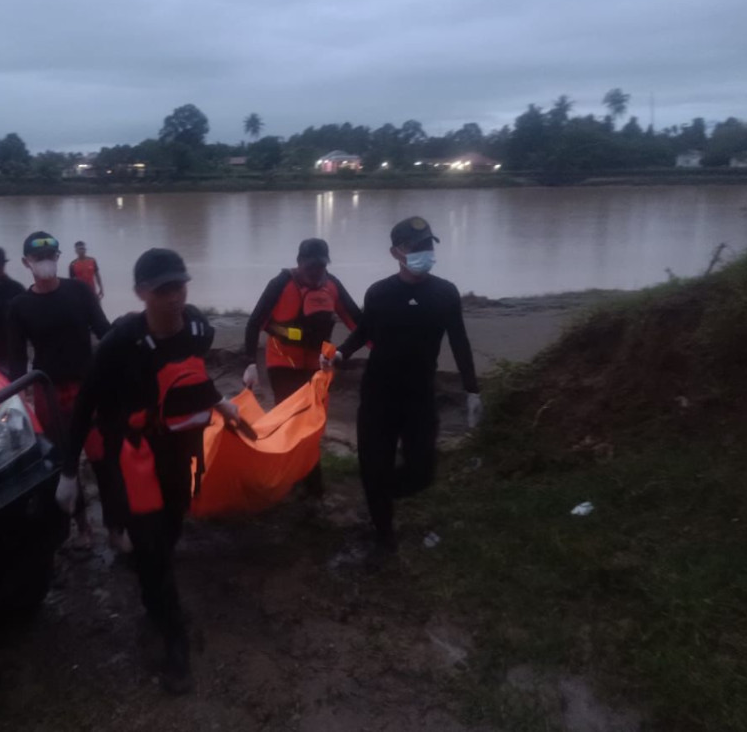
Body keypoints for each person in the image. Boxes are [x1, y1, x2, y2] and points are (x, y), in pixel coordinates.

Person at [57, 248, 238, 694]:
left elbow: (191, 376)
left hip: (180, 451)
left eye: (180, 286)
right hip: (134, 458)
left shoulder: (198, 327)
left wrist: (220, 403)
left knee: (171, 533)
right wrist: (67, 471)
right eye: (163, 290)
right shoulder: (120, 343)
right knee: (153, 550)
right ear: (142, 293)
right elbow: (85, 406)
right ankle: (173, 640)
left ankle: (155, 596)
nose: (175, 297)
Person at [327, 217, 483, 556]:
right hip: (378, 395)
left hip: (419, 397)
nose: (425, 252)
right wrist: (342, 352)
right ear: (396, 252)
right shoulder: (380, 293)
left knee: (422, 471)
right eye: (416, 247)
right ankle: (383, 533)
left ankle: (381, 494)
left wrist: (472, 389)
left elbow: (459, 341)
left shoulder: (444, 293)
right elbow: (364, 331)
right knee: (373, 464)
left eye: (429, 245)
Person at [7, 231, 111, 547]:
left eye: (51, 256)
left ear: (58, 257)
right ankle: (82, 527)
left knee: (102, 457)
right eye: (38, 258)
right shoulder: (18, 306)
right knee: (64, 462)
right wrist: (18, 397)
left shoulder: (79, 291)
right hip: (47, 391)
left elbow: (104, 332)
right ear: (26, 262)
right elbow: (15, 361)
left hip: (88, 386)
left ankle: (116, 523)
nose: (45, 262)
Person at [242, 238, 361, 498]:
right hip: (282, 363)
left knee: (312, 423)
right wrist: (250, 363)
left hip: (317, 367)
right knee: (295, 423)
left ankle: (299, 476)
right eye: (311, 268)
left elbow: (359, 322)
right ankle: (312, 487)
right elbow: (254, 323)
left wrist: (359, 349)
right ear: (299, 264)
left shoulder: (332, 286)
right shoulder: (281, 284)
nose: (316, 273)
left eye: (320, 267)